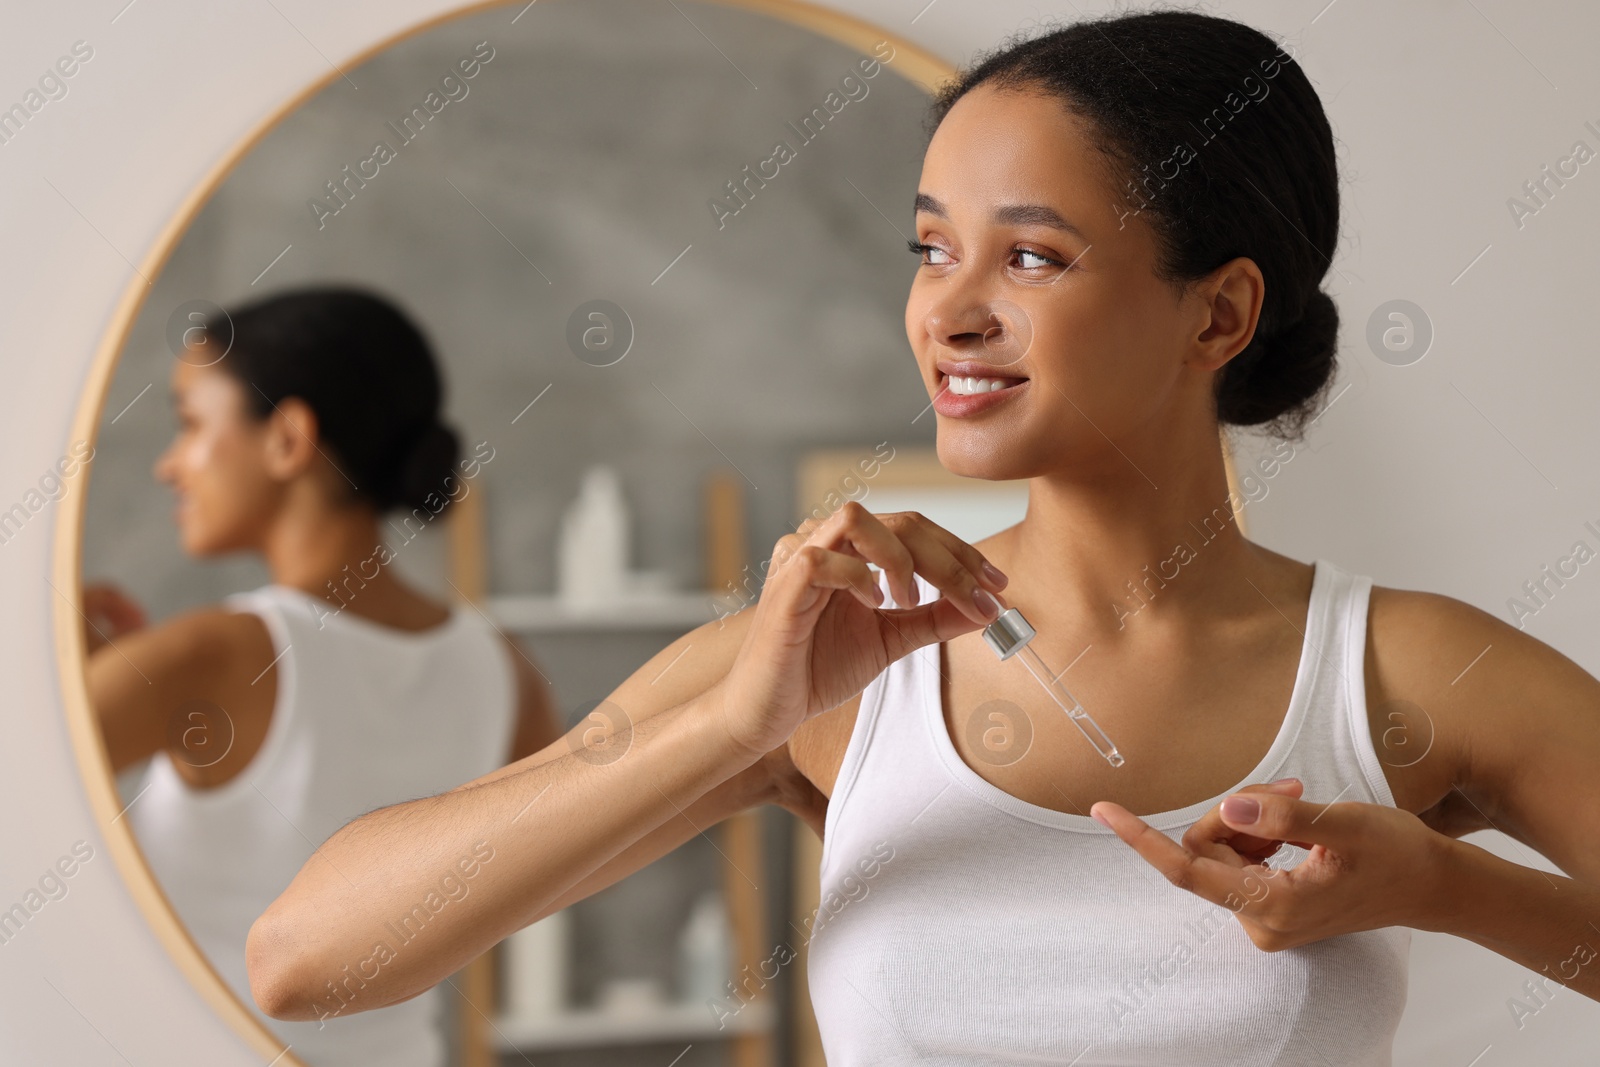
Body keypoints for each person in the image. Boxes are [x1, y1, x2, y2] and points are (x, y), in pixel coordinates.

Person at [244, 12, 1600, 1066]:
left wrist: (1445, 886)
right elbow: (307, 955)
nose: (947, 312)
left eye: (1030, 257)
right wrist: (734, 724)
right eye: (929, 247)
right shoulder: (831, 669)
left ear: (1218, 314)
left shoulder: (1401, 672)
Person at [84, 286, 561, 1067]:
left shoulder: (219, 653)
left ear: (288, 438)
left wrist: (48, 656)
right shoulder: (504, 667)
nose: (170, 464)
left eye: (191, 423)